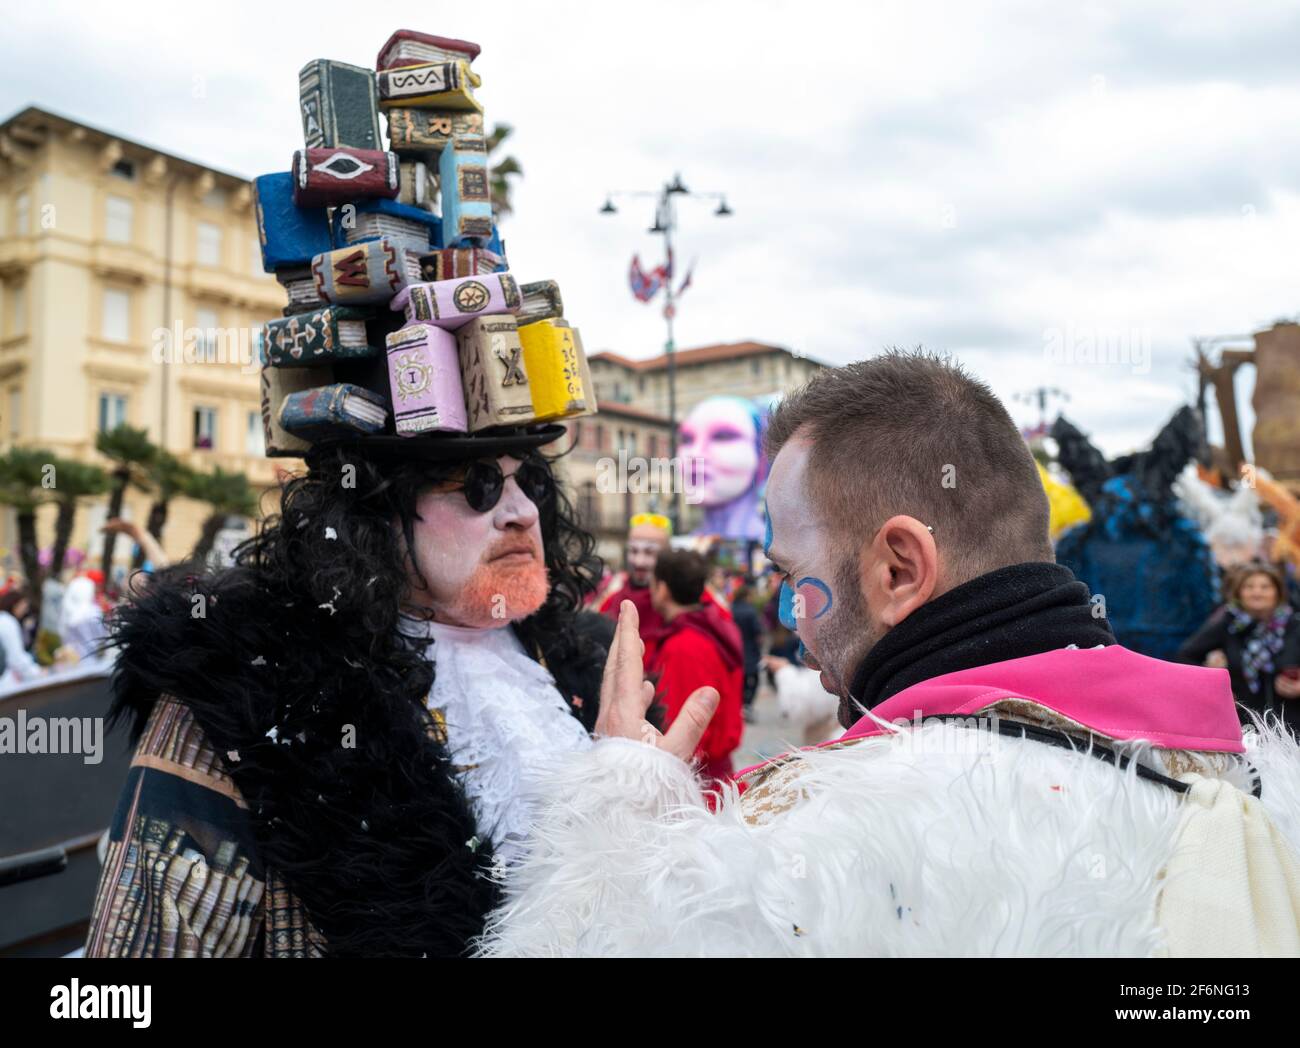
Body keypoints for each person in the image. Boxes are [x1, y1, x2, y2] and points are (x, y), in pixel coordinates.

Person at [479, 350, 1300, 957]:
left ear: (898, 569)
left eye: (792, 574)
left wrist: (618, 812)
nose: (795, 618)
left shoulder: (817, 844)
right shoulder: (1259, 783)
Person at [86, 430, 612, 958]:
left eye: (534, 482)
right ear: (376, 506)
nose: (521, 511)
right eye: (479, 485)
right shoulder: (246, 690)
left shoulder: (579, 669)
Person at [646, 550, 744, 787]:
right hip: (713, 778)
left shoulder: (683, 646)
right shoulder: (711, 628)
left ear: (663, 588)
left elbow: (684, 732)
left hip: (697, 786)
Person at [1178, 561, 1300, 736]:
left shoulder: (1294, 625)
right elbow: (1186, 655)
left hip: (1291, 726)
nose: (1257, 592)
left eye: (1265, 587)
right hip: (1243, 726)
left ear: (1278, 592)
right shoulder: (1228, 625)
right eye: (1249, 587)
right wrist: (1214, 682)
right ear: (1239, 593)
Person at [596, 512, 672, 664]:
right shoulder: (611, 600)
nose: (639, 561)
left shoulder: (678, 602)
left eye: (649, 552)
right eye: (634, 551)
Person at [730, 581, 763, 719]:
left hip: (734, 649)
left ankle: (741, 704)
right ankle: (747, 704)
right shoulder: (750, 611)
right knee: (754, 679)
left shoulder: (730, 609)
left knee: (739, 678)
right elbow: (758, 633)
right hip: (750, 650)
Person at [0, 587, 43, 685]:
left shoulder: (4, 620)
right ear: (15, 605)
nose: (25, 610)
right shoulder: (7, 622)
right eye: (24, 606)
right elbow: (16, 658)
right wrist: (36, 672)